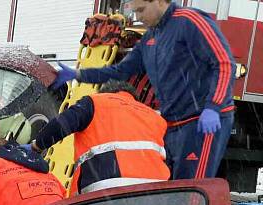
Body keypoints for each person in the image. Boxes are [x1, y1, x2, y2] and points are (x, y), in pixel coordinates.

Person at [52, 0, 235, 180]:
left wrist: (213, 107)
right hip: (172, 123)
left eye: (141, 10)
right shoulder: (150, 39)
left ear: (159, 2)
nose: (139, 17)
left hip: (201, 121)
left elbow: (224, 63)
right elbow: (120, 71)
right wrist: (79, 74)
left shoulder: (190, 21)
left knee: (192, 189)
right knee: (171, 188)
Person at [25, 80, 169, 194]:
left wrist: (36, 146)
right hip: (154, 194)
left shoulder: (96, 102)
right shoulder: (155, 117)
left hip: (104, 194)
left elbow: (61, 124)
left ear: (104, 92)